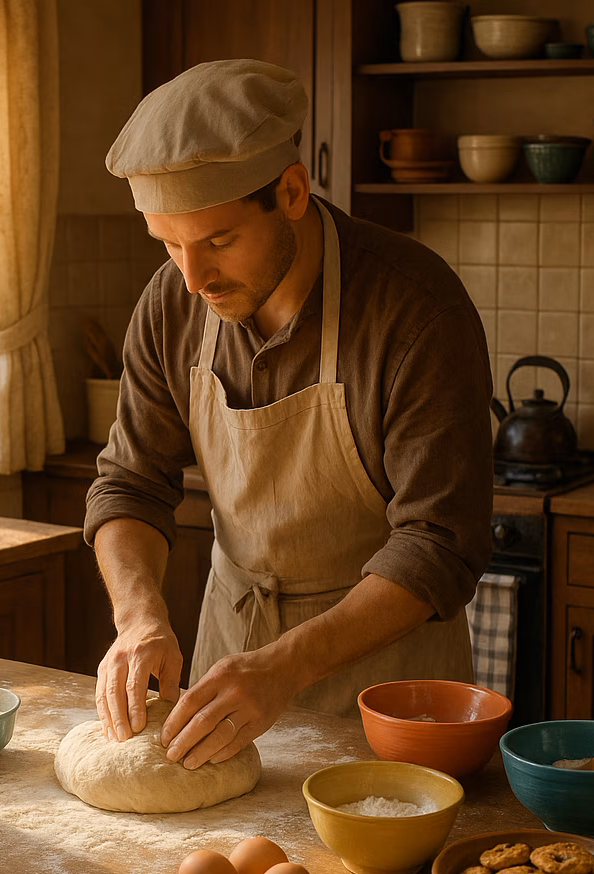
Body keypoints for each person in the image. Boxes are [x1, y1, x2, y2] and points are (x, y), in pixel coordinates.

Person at [84, 58, 493, 771]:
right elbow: (129, 485)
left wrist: (284, 668)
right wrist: (139, 614)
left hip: (391, 691)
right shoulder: (172, 303)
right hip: (231, 672)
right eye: (168, 244)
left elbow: (438, 544)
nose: (193, 278)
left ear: (293, 192)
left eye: (217, 241)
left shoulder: (415, 307)